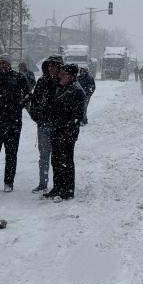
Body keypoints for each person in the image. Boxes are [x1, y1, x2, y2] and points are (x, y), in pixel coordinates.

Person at [0, 54, 30, 193]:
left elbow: (28, 95)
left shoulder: (19, 77)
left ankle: (8, 182)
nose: (2, 65)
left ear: (9, 64)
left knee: (11, 154)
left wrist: (18, 106)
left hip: (13, 122)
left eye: (4, 63)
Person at [44, 62, 87, 200]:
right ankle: (57, 187)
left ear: (71, 76)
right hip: (57, 130)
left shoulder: (76, 91)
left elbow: (78, 115)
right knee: (56, 159)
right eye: (60, 73)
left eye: (63, 74)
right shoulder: (60, 87)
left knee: (66, 161)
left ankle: (67, 190)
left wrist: (64, 124)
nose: (60, 76)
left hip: (67, 132)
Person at [27, 55, 62, 193]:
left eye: (54, 65)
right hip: (43, 125)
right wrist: (36, 117)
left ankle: (59, 184)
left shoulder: (63, 81)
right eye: (49, 65)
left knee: (59, 156)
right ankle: (43, 183)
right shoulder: (41, 82)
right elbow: (34, 102)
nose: (51, 68)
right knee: (44, 156)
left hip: (59, 126)